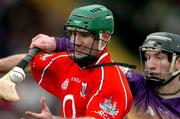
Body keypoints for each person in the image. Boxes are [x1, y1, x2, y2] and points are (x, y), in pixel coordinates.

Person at [0, 4, 133, 119]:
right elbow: (29, 62)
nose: (76, 41)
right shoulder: (67, 61)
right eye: (73, 33)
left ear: (104, 37)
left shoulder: (111, 80)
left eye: (84, 35)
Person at [31, 32, 180, 119]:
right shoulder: (136, 82)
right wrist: (56, 43)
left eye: (158, 58)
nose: (150, 64)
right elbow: (95, 55)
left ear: (178, 62)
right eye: (148, 57)